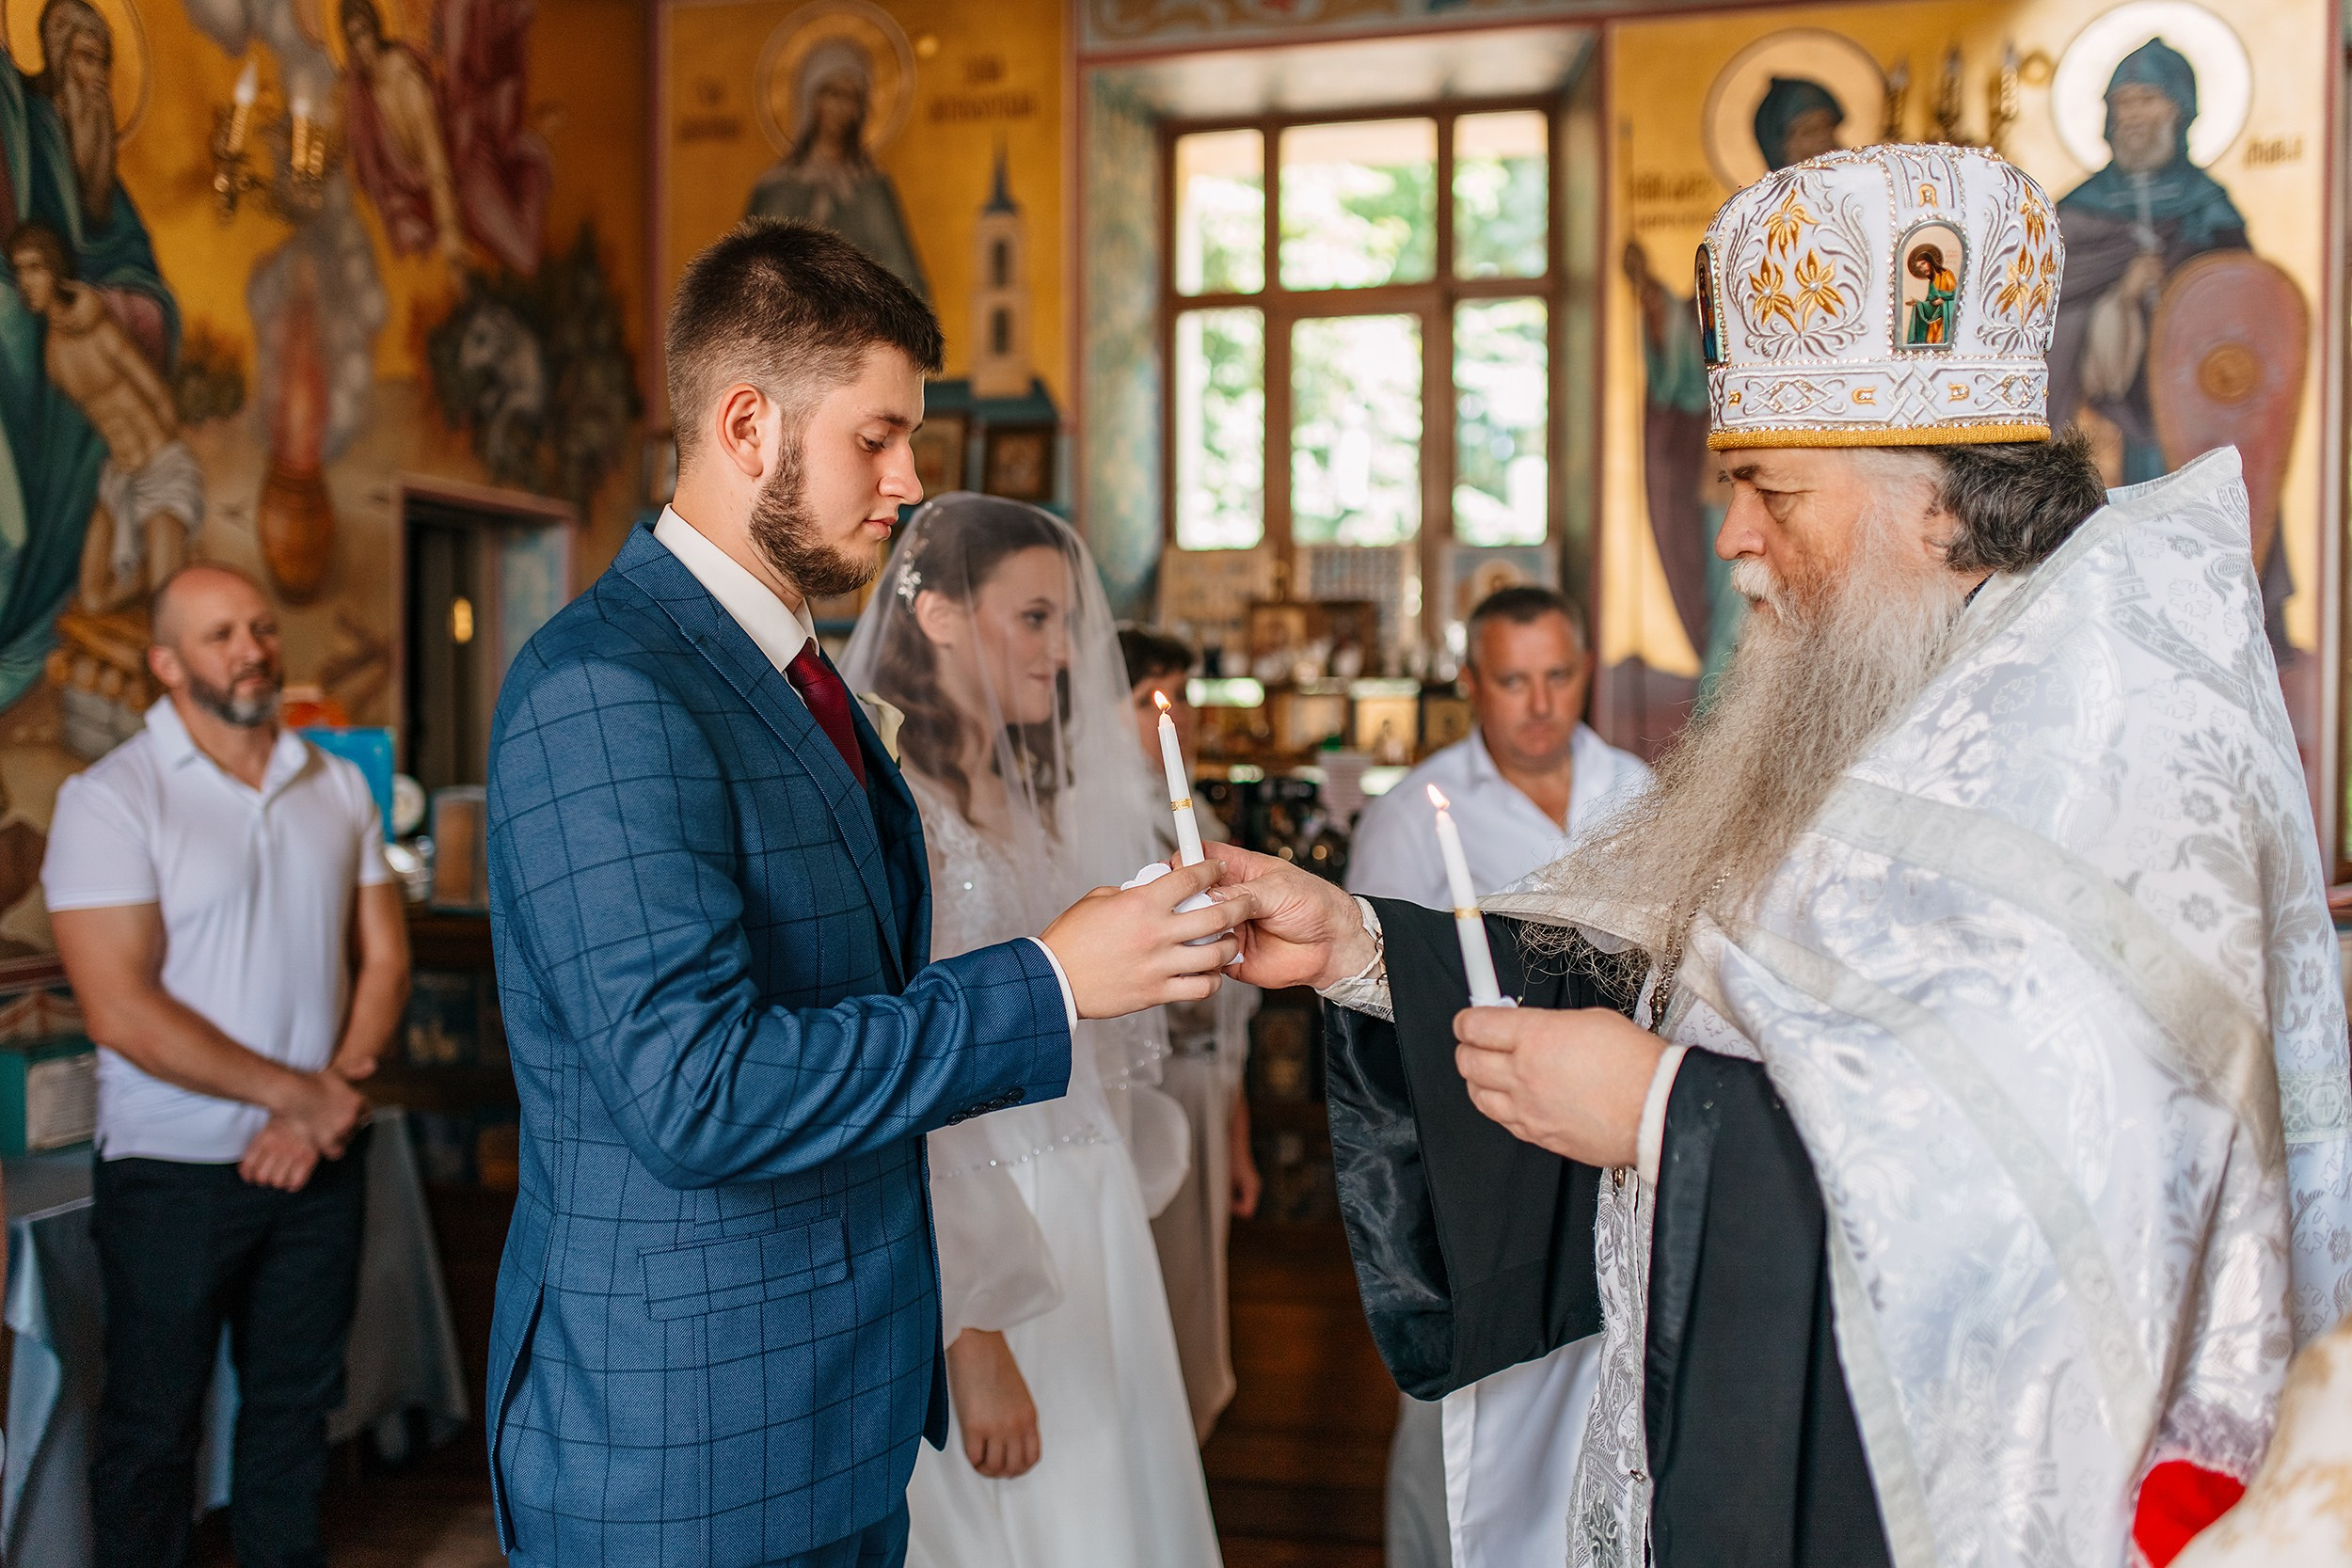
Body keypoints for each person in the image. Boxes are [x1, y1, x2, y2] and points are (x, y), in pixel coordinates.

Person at [1213, 144, 2352, 1568]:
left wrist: (1664, 1111)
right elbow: (1702, 952)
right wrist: (1365, 946)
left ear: (1929, 496)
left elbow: (2062, 1200)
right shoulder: (1902, 678)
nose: (1735, 539)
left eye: (1770, 489)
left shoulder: (2094, 729)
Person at [483, 221, 1239, 1568]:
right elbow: (697, 1087)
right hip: (685, 1438)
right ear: (748, 423)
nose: (909, 479)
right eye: (875, 439)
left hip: (836, 1409)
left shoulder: (796, 672)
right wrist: (1051, 981)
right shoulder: (605, 687)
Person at [838, 501, 1221, 1567]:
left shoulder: (1037, 786)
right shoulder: (893, 805)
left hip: (1087, 1197)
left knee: (1115, 1506)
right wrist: (971, 1327)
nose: (1066, 651)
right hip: (983, 1219)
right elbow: (906, 1062)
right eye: (1036, 618)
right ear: (943, 615)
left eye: (1068, 620)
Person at [41, 562, 410, 1568]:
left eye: (258, 626)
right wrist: (304, 1096)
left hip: (318, 1163)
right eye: (217, 635)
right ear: (165, 662)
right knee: (153, 1433)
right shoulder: (109, 797)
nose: (250, 648)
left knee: (295, 1423)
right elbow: (122, 1010)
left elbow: (384, 956)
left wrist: (320, 1108)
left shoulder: (331, 782)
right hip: (172, 1170)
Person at [1345, 583, 1648, 1568]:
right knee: (1466, 1399)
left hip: (1614, 1141)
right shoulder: (1410, 814)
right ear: (1472, 681)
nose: (1537, 702)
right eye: (1511, 679)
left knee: (1602, 1369)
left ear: (1584, 673)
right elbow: (1367, 996)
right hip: (1475, 1143)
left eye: (1557, 675)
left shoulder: (1639, 792)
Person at [0, 0, 178, 707]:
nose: (97, 81)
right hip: (111, 465)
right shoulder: (28, 125)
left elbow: (139, 277)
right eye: (83, 60)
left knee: (154, 610)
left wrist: (126, 304)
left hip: (148, 471)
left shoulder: (96, 176)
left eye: (105, 64)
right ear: (52, 54)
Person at [1120, 625, 1261, 1443]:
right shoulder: (1101, 817)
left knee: (1198, 1294)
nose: (1179, 717)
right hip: (1149, 1088)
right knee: (1158, 1302)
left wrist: (1237, 1132)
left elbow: (1232, 1012)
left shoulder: (1191, 808)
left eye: (1182, 697)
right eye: (1150, 701)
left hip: (1206, 1081)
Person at [7, 225, 202, 614]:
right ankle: (155, 567)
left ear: (55, 270)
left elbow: (154, 391)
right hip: (119, 477)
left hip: (159, 469)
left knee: (168, 603)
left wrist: (168, 458)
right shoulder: (53, 356)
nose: (25, 283)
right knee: (93, 601)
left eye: (35, 268)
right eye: (18, 271)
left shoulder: (98, 326)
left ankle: (168, 558)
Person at [746, 41, 928, 300]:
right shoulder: (777, 188)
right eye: (832, 92)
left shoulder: (871, 189)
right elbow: (749, 275)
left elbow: (906, 280)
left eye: (853, 96)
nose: (842, 106)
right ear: (811, 99)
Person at [340, 0, 467, 267]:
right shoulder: (357, 92)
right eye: (352, 39)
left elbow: (435, 158)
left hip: (438, 187)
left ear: (376, 29)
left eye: (363, 32)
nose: (360, 45)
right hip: (402, 201)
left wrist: (449, 230)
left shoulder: (405, 79)